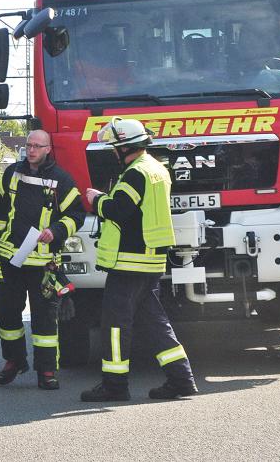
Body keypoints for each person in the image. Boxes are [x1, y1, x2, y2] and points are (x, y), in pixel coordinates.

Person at [80, 117, 198, 402]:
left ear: (124, 147)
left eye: (114, 147)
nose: (112, 152)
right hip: (150, 260)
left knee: (115, 324)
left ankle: (114, 385)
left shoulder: (135, 173)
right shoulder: (156, 168)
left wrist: (97, 200)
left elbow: (118, 210)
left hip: (129, 262)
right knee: (155, 323)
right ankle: (181, 379)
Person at [0, 130, 84, 391]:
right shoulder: (10, 174)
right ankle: (14, 361)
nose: (31, 150)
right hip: (11, 260)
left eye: (37, 146)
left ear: (48, 149)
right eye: (29, 145)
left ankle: (47, 370)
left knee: (45, 320)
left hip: (44, 263)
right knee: (7, 313)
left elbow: (76, 215)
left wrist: (56, 231)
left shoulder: (62, 179)